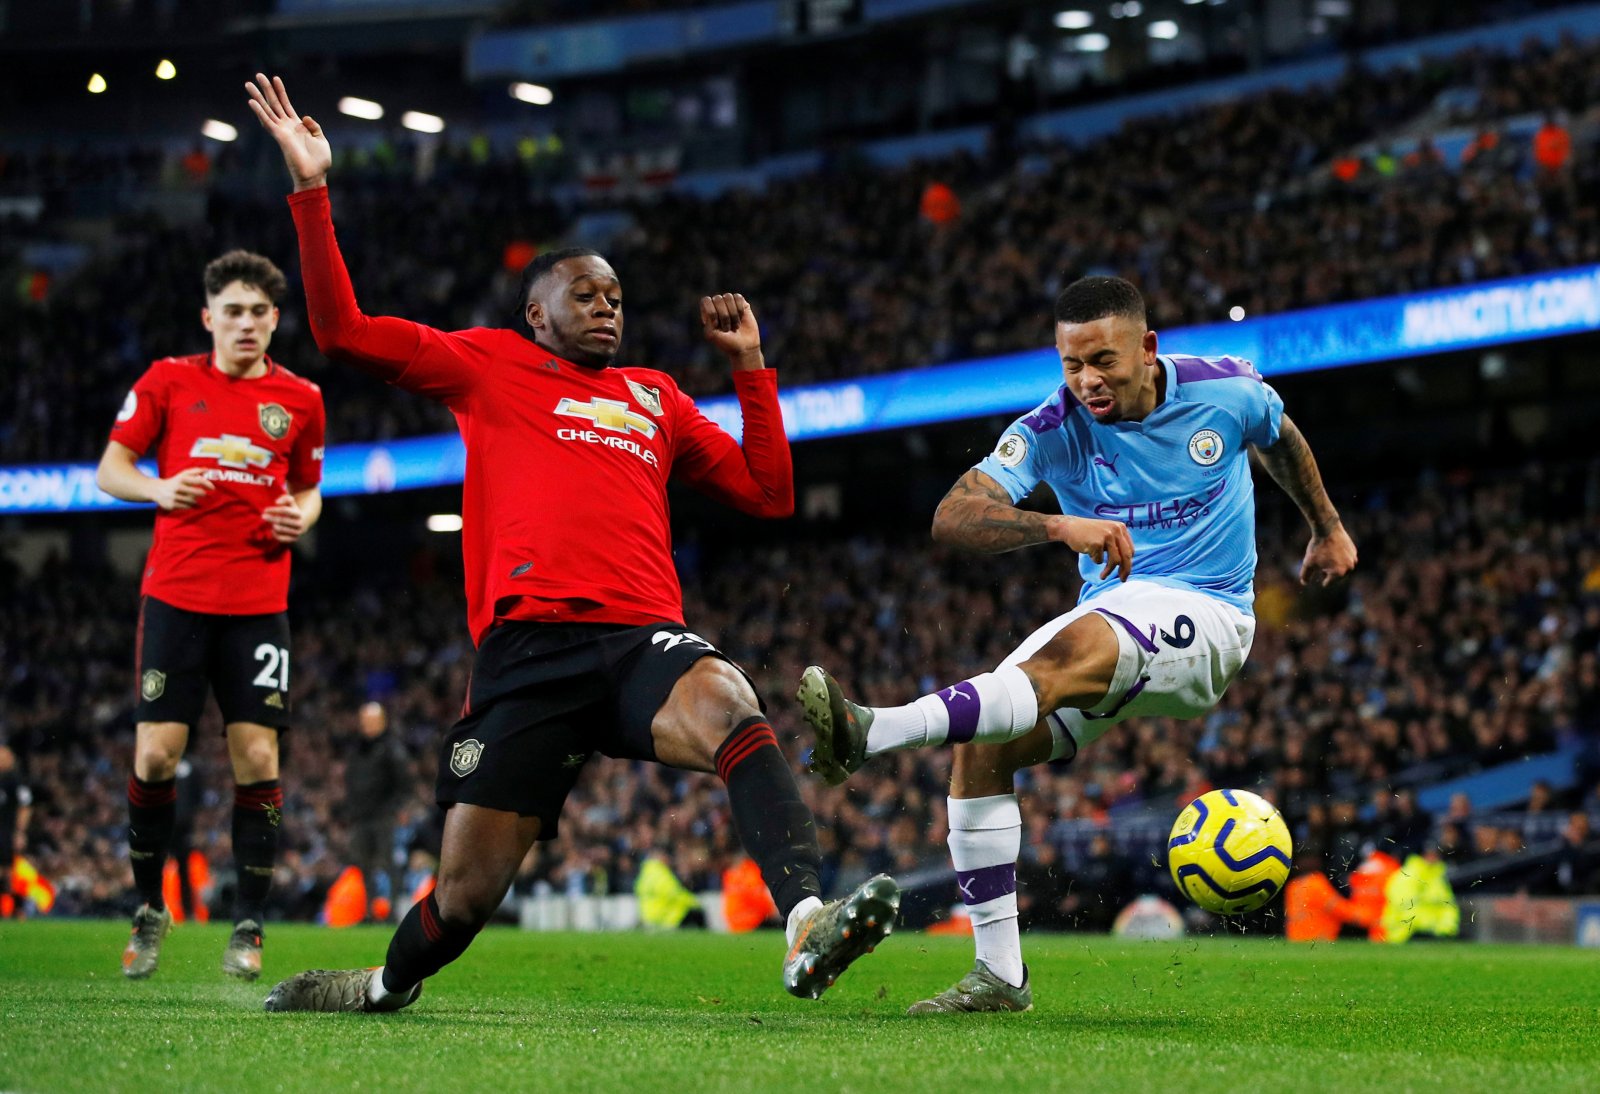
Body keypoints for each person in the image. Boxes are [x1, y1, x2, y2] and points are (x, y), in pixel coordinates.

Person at [246, 73, 898, 1013]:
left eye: (617, 296)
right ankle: (381, 985)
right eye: (584, 294)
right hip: (527, 652)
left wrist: (751, 369)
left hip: (640, 638)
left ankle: (804, 926)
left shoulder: (655, 397)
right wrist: (311, 189)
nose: (607, 307)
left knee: (728, 701)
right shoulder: (488, 364)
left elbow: (767, 492)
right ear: (536, 314)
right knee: (467, 896)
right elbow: (342, 331)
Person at [799, 275, 1356, 1013]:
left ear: (1147, 347)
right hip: (1119, 614)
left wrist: (1326, 525)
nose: (1088, 380)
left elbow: (1278, 436)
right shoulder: (1051, 429)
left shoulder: (1227, 390)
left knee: (1059, 659)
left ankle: (874, 731)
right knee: (985, 745)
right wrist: (1058, 526)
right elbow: (954, 515)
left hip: (1212, 614)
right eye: (1071, 364)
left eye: (1104, 360)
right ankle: (1000, 975)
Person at [96, 248, 326, 981]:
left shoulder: (301, 399)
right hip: (177, 596)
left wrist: (303, 517)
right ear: (209, 318)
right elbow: (110, 470)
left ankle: (250, 925)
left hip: (260, 602)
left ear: (275, 320)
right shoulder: (168, 380)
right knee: (156, 756)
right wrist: (158, 491)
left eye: (260, 312)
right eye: (233, 311)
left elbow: (309, 487)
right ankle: (148, 908)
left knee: (257, 759)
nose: (247, 323)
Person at [343, 702, 410, 919]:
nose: (367, 725)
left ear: (382, 721)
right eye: (364, 720)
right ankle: (369, 911)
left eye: (371, 720)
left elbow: (403, 782)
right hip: (361, 815)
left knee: (387, 862)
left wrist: (396, 808)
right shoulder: (357, 748)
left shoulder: (391, 748)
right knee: (364, 863)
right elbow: (350, 780)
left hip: (383, 814)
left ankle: (392, 911)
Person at [0, 745, 32, 918]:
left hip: (7, 832)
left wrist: (20, 832)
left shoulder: (15, 780)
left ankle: (17, 909)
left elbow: (25, 807)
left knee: (9, 871)